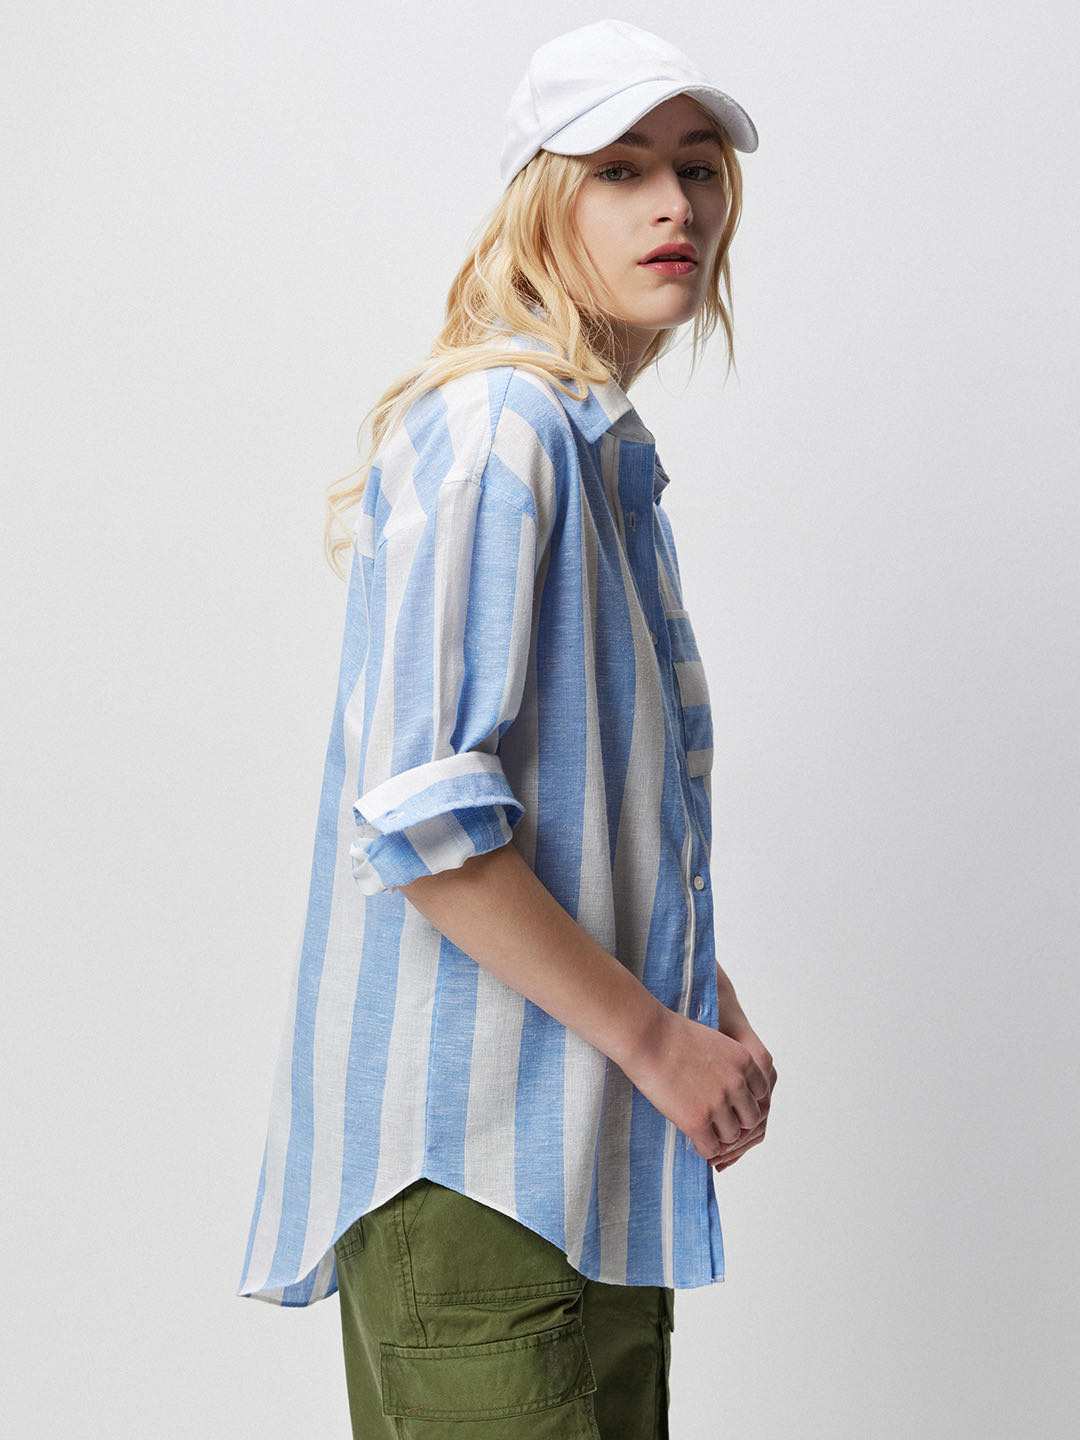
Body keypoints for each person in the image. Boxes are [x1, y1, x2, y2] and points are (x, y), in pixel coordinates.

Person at [236, 19, 777, 1438]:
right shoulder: (500, 432)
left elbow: (570, 807)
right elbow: (425, 821)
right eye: (621, 170)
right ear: (544, 201)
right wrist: (657, 1038)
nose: (675, 206)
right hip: (476, 1174)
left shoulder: (595, 453)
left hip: (581, 1173)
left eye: (697, 167)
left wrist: (693, 996)